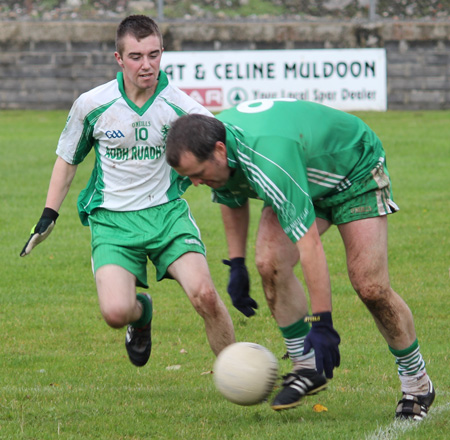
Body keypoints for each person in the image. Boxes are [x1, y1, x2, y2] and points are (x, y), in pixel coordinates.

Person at [165, 98, 435, 420]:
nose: (194, 183)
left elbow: (309, 247)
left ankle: (417, 383)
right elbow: (231, 196)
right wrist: (236, 264)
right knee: (269, 263)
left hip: (353, 169)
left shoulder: (266, 160)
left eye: (197, 174)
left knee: (370, 286)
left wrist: (322, 324)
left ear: (221, 151)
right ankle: (306, 368)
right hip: (301, 176)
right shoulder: (217, 149)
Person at [20, 15, 235, 367]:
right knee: (116, 312)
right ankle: (141, 314)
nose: (147, 65)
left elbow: (223, 145)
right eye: (136, 56)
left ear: (162, 53)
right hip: (113, 223)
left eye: (154, 54)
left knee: (206, 296)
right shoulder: (93, 104)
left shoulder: (181, 106)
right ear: (119, 59)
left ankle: (238, 373)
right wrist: (48, 215)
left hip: (166, 215)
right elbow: (67, 159)